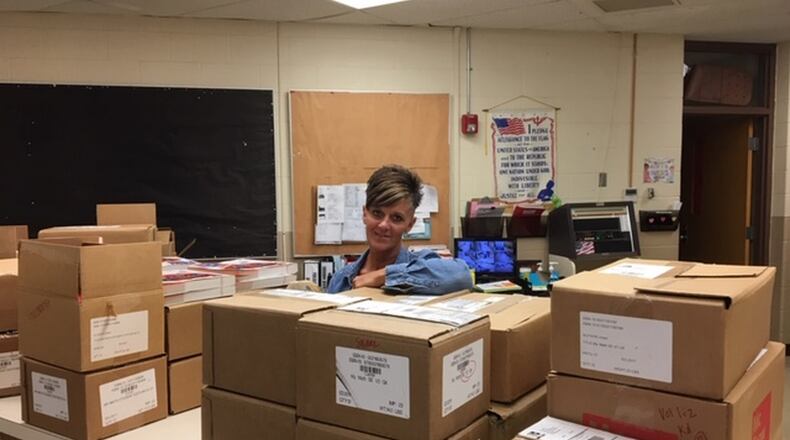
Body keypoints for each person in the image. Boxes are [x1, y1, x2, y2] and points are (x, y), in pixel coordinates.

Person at [327, 164, 473, 294]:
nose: (384, 225)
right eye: (377, 213)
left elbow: (462, 275)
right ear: (365, 214)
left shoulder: (422, 265)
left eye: (396, 218)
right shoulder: (341, 280)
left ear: (410, 224)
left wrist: (383, 276)